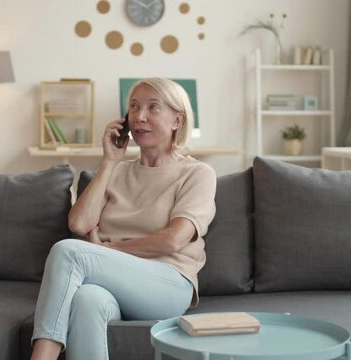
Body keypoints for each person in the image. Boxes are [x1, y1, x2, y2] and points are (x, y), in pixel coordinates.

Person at [30, 78, 216, 360]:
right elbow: (79, 224)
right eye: (134, 107)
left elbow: (173, 240)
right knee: (86, 299)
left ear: (177, 120)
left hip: (168, 284)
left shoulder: (197, 173)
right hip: (113, 285)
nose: (140, 117)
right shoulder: (116, 172)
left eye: (153, 108)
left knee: (67, 251)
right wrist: (108, 161)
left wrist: (105, 250)